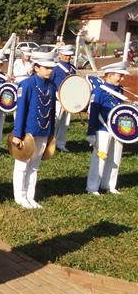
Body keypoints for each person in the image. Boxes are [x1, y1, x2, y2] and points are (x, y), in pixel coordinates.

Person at [11, 51, 57, 209]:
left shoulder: (51, 86)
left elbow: (51, 111)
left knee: (34, 166)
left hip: (43, 131)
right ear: (36, 68)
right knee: (22, 165)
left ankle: (30, 196)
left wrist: (51, 133)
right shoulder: (27, 85)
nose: (50, 71)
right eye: (46, 68)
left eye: (51, 68)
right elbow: (21, 111)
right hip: (28, 132)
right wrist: (18, 134)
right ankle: (20, 197)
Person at [85, 61, 129, 195]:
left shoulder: (119, 90)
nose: (122, 79)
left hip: (117, 130)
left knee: (115, 158)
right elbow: (93, 112)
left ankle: (109, 184)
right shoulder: (99, 91)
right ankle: (92, 187)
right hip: (103, 129)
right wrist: (91, 132)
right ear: (110, 75)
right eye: (119, 76)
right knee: (100, 158)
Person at [51, 45, 76, 152]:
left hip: (68, 98)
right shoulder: (56, 68)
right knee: (56, 121)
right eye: (65, 55)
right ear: (60, 55)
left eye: (69, 55)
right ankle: (50, 143)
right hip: (58, 99)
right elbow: (51, 84)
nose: (68, 57)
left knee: (65, 122)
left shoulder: (72, 68)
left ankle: (61, 143)